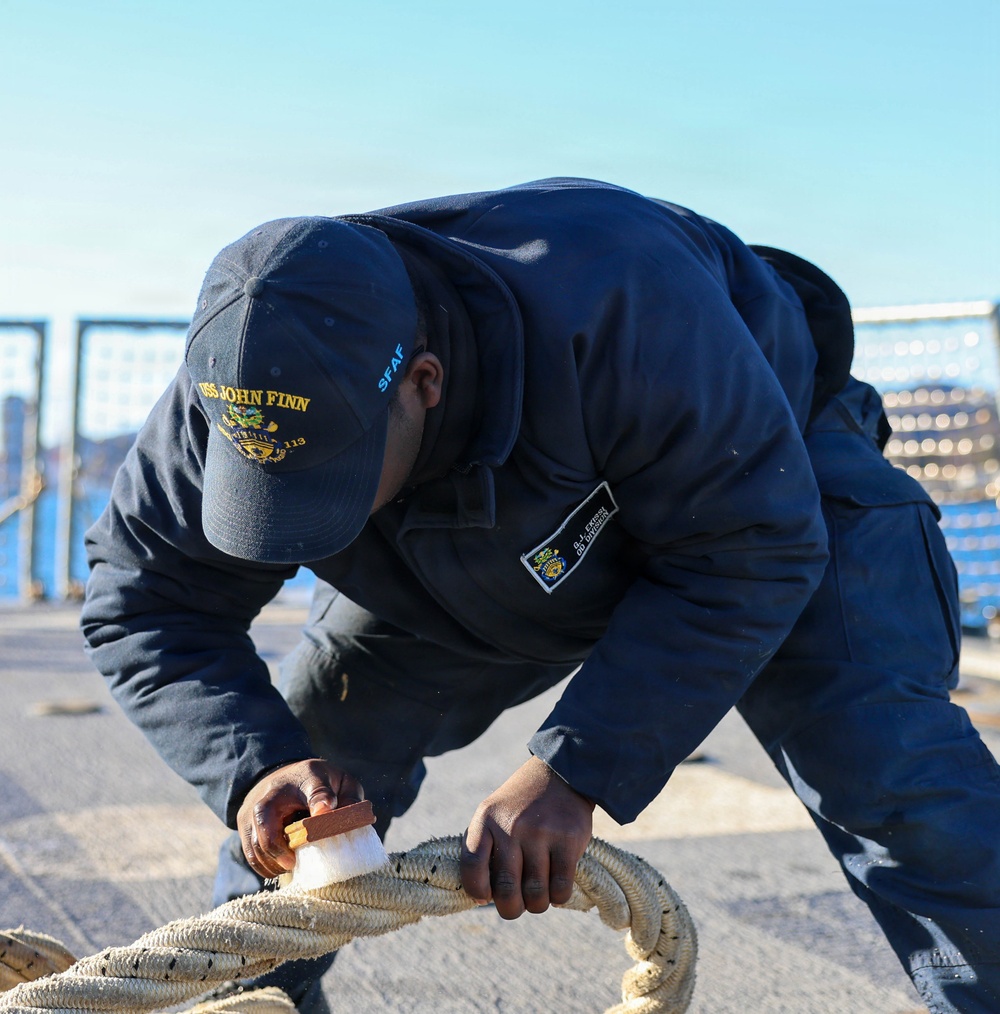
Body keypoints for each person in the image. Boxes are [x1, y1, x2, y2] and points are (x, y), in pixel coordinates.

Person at [81, 178, 1000, 1013]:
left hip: (763, 491)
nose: (303, 525)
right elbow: (144, 601)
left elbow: (749, 548)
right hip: (466, 554)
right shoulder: (245, 379)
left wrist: (574, 772)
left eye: (330, 486)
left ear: (423, 385)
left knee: (896, 778)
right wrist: (256, 769)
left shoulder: (623, 302)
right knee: (311, 773)